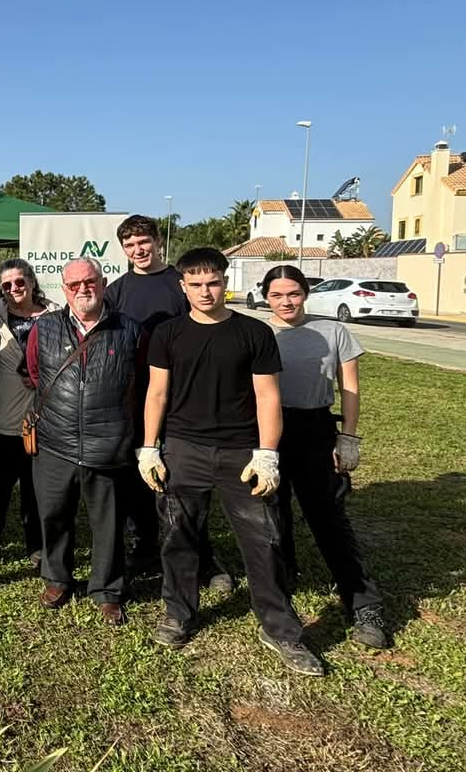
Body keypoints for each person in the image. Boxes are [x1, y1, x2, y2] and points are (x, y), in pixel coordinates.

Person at [140, 247, 324, 675]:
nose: (206, 292)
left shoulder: (253, 333)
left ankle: (280, 630)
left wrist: (268, 454)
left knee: (265, 541)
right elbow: (157, 393)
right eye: (196, 284)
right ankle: (178, 613)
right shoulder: (168, 334)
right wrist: (149, 447)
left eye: (214, 283)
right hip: (183, 448)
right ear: (182, 286)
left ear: (226, 282)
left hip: (242, 451)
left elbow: (267, 396)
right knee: (177, 536)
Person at [263, 265, 388, 649]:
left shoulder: (334, 331)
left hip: (317, 429)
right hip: (270, 429)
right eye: (277, 295)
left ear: (306, 293)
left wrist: (348, 438)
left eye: (294, 293)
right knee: (271, 512)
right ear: (266, 296)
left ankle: (363, 603)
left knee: (328, 517)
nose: (286, 302)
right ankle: (284, 577)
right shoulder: (258, 333)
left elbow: (350, 387)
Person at [105, 214, 232, 590]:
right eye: (130, 245)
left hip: (181, 396)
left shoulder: (182, 283)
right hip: (133, 397)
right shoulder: (117, 290)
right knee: (137, 480)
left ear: (158, 241)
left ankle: (203, 557)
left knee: (185, 482)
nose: (138, 250)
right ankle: (144, 547)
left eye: (144, 242)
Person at [25, 258, 141, 626]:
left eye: (89, 281)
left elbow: (142, 384)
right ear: (64, 290)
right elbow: (33, 374)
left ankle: (107, 589)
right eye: (74, 285)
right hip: (55, 442)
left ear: (103, 283)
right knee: (53, 515)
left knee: (108, 522)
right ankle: (57, 577)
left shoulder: (129, 330)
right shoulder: (43, 329)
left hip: (107, 443)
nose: (83, 289)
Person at [0, 258, 57, 563]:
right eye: (6, 285)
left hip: (42, 418)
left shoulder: (56, 315)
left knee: (36, 485)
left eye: (20, 282)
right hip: (1, 417)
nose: (13, 289)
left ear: (32, 282)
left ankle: (36, 544)